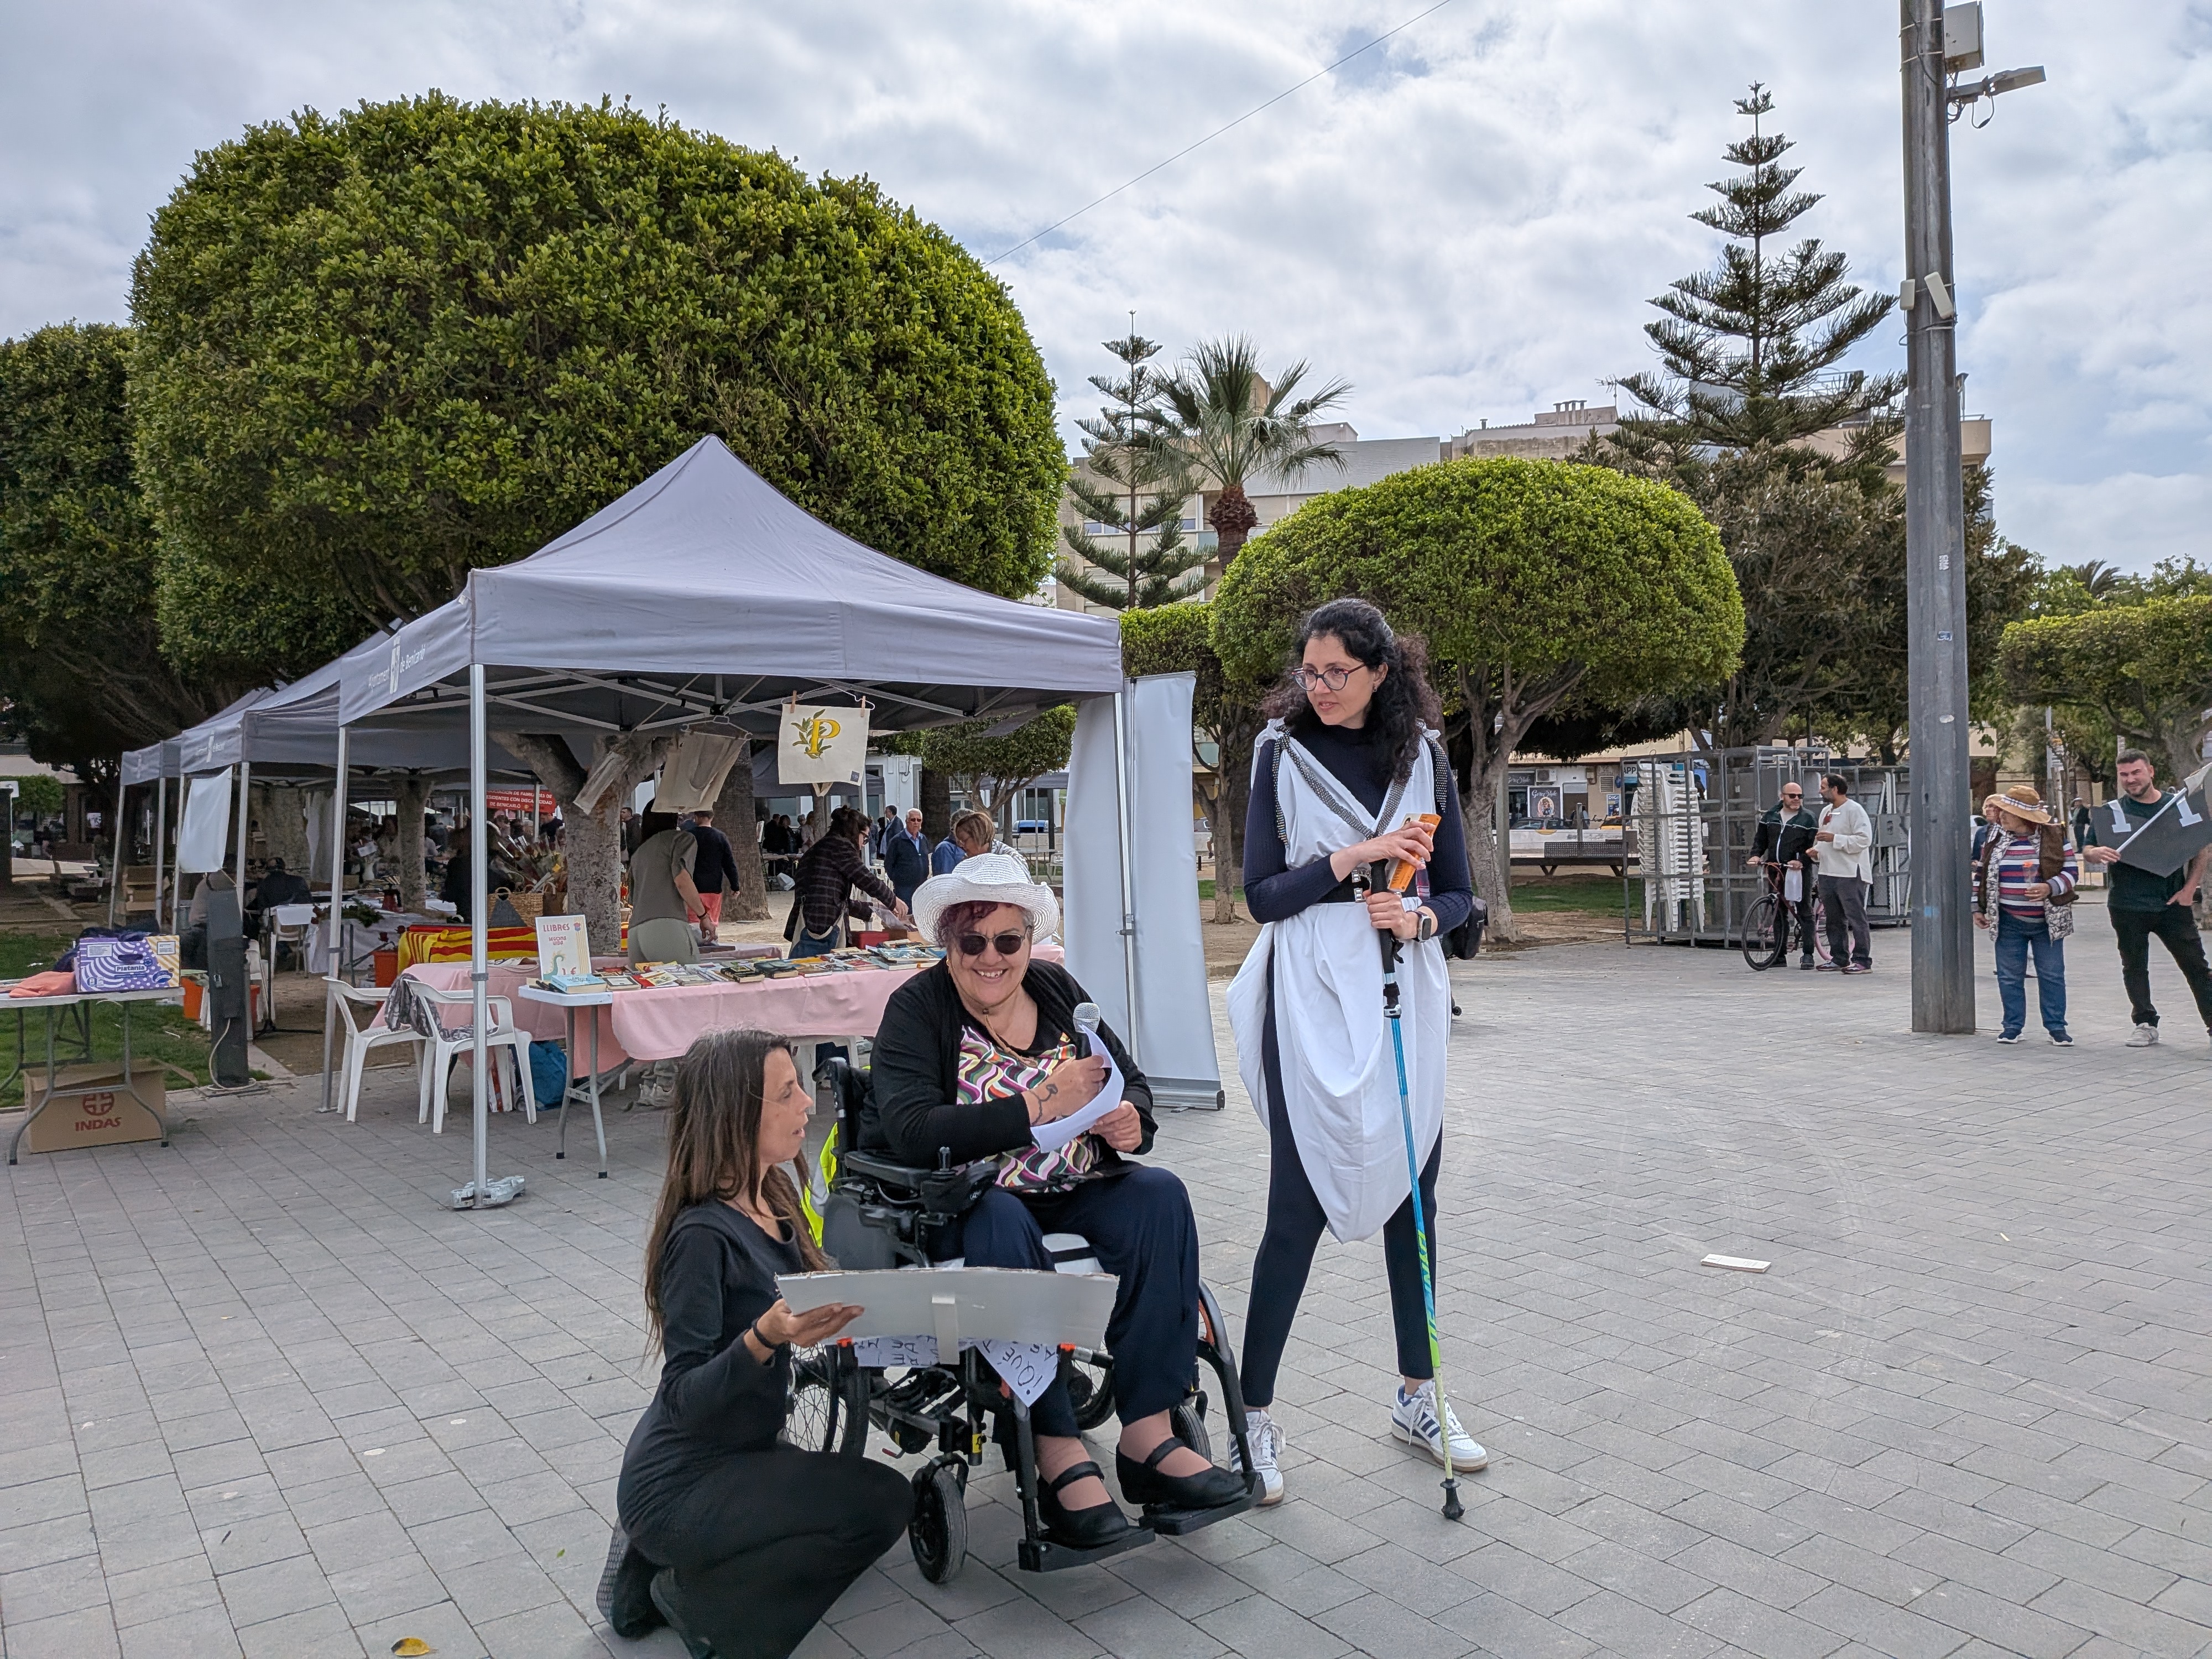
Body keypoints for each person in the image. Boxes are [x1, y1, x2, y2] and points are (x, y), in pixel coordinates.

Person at [872, 854, 1245, 1545]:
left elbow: (1128, 1079)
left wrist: (1131, 1120)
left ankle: (1148, 1436)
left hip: (1074, 1184)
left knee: (1159, 1195)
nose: (991, 957)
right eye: (972, 941)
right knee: (1002, 1218)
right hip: (973, 1200)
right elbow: (912, 1129)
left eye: (1007, 940)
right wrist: (1037, 1105)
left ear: (1028, 941)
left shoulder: (1054, 987)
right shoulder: (918, 1008)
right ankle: (1053, 1446)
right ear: (947, 944)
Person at [1226, 597, 1484, 1506]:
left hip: (1404, 993)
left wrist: (1417, 919)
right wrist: (1354, 858)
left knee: (1415, 1200)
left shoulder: (1427, 758)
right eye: (1310, 671)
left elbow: (1460, 896)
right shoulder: (1280, 753)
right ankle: (1252, 1417)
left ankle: (1418, 1397)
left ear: (1382, 671)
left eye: (1338, 671)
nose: (1321, 687)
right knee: (1294, 1210)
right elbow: (1261, 896)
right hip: (1309, 994)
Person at [603, 1029, 911, 1657]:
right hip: (680, 1481)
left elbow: (822, 1289)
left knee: (879, 1501)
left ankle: (670, 1576)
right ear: (737, 1114)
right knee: (879, 1508)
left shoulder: (773, 1193)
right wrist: (765, 1337)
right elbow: (684, 1398)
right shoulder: (700, 1236)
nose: (808, 1104)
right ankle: (695, 1602)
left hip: (744, 1453)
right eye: (787, 1093)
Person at [2079, 749, 2212, 1048]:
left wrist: (2189, 889)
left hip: (2172, 903)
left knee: (2196, 965)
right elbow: (2088, 848)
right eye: (2124, 775)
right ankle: (2145, 1023)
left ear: (2150, 772)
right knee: (2134, 966)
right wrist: (2095, 853)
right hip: (2126, 904)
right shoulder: (2112, 811)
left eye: (2136, 772)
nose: (2130, 779)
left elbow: (2201, 848)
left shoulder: (2178, 806)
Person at [1973, 784, 2079, 1045]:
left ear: (2024, 817)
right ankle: (2012, 1026)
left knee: (2052, 975)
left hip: (2047, 922)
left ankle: (2057, 1028)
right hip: (2008, 920)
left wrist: (2049, 887)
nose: (2001, 815)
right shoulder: (1995, 837)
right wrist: (1977, 907)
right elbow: (1981, 874)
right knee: (2009, 976)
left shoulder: (2054, 836)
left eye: (2007, 812)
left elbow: (2072, 872)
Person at [787, 806, 908, 956]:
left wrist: (875, 907)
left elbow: (836, 899)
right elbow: (866, 878)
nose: (863, 845)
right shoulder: (840, 847)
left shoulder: (820, 849)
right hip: (821, 928)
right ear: (856, 832)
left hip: (809, 923)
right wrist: (893, 900)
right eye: (865, 838)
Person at [1746, 782, 1819, 968]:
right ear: (1782, 796)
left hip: (1798, 870)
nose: (1797, 799)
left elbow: (1814, 847)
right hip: (1775, 868)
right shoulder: (1770, 816)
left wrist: (1802, 860)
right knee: (1778, 910)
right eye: (1792, 796)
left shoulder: (1808, 818)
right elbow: (1761, 839)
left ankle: (1808, 954)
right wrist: (1756, 855)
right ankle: (1779, 955)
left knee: (1804, 910)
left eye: (1800, 796)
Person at [1812, 774, 1874, 973]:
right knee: (1833, 918)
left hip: (1850, 873)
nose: (1820, 791)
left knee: (1856, 917)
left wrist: (1835, 839)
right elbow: (1822, 840)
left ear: (1835, 789)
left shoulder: (1855, 810)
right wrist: (1816, 851)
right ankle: (1839, 958)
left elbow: (1864, 840)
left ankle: (1862, 960)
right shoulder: (1826, 811)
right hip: (1827, 872)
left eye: (1823, 787)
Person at [629, 810, 707, 964]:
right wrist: (704, 916)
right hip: (667, 925)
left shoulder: (639, 852)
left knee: (648, 981)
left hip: (636, 931)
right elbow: (682, 880)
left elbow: (633, 897)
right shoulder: (681, 839)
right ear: (674, 818)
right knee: (690, 977)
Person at [684, 808, 743, 932]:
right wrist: (735, 886)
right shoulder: (720, 837)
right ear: (712, 818)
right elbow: (729, 864)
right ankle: (711, 940)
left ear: (696, 817)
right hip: (714, 887)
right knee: (712, 921)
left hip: (691, 887)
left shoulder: (688, 836)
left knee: (693, 923)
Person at [881, 807, 932, 909]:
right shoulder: (897, 841)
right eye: (913, 820)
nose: (916, 822)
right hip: (904, 889)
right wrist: (898, 880)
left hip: (921, 887)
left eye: (919, 820)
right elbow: (888, 864)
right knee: (906, 914)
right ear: (907, 821)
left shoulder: (923, 839)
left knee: (920, 913)